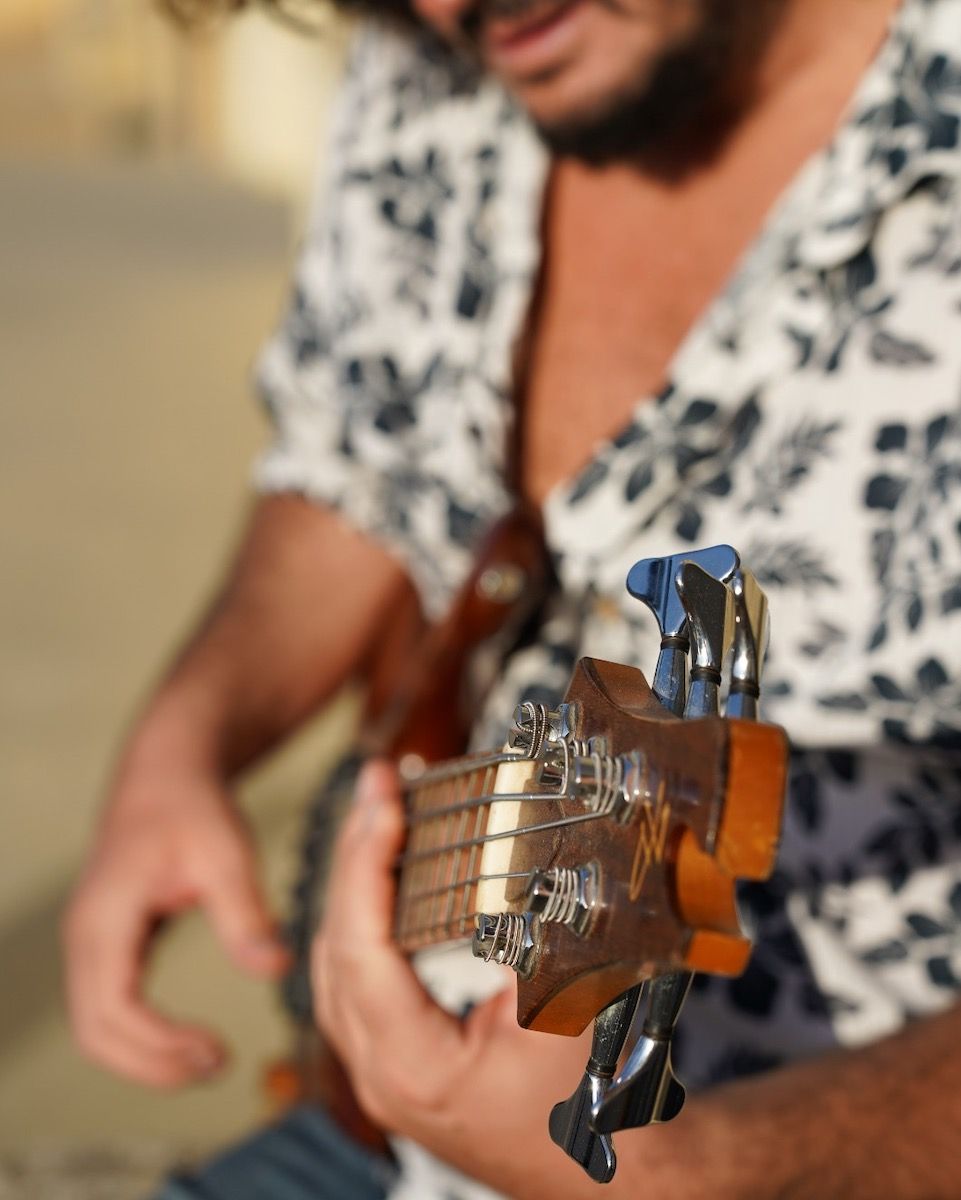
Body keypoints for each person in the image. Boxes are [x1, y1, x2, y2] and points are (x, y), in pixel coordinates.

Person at [63, 0, 961, 1195]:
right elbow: (360, 464)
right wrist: (183, 742)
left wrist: (729, 1172)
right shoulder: (439, 60)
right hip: (378, 1134)